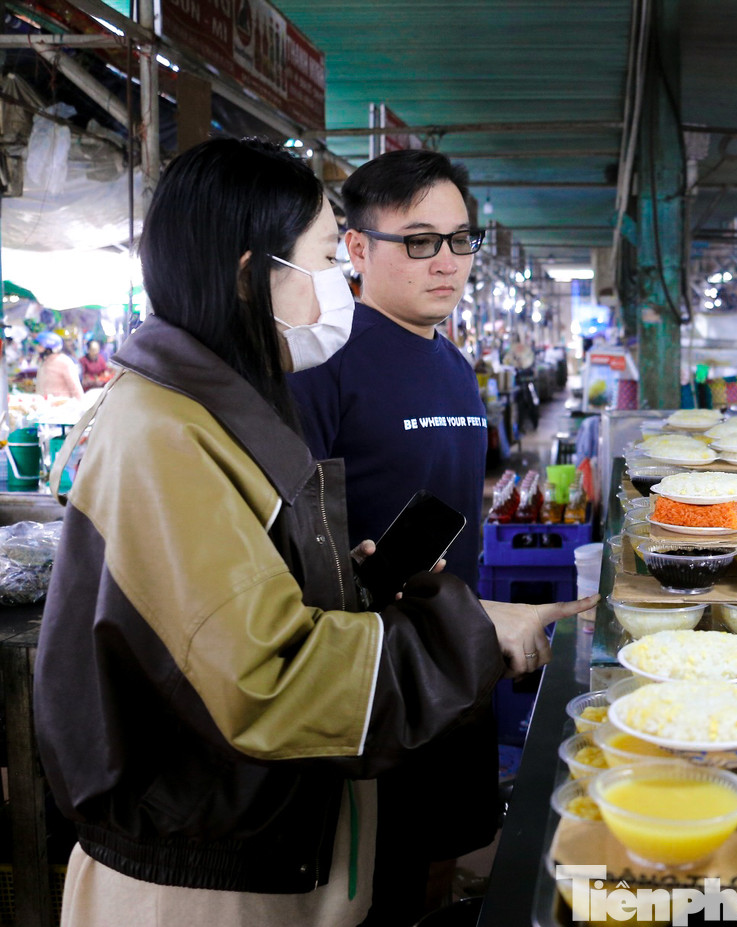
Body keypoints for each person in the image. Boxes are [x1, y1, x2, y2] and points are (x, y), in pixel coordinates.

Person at [32, 138, 589, 927]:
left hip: (266, 835)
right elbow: (270, 680)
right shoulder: (166, 434)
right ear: (249, 275)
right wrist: (466, 634)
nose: (337, 288)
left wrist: (346, 582)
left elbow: (237, 606)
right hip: (200, 875)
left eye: (460, 240)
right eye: (327, 258)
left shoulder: (217, 411)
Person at [290, 148, 585, 925]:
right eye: (420, 241)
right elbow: (291, 539)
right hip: (376, 676)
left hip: (458, 652)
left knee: (444, 852)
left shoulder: (451, 362)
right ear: (357, 247)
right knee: (377, 879)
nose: (447, 261)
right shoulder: (322, 363)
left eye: (460, 240)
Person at [34, 332, 82, 399]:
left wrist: (80, 403)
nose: (37, 348)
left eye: (40, 345)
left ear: (49, 348)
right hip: (44, 404)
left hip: (63, 404)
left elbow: (75, 388)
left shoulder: (64, 361)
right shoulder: (43, 362)